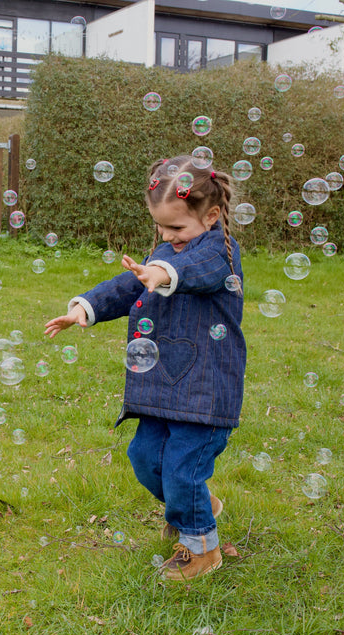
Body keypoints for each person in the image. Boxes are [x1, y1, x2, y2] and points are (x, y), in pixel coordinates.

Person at [44, 155, 246, 580]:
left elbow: (194, 271)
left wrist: (161, 270)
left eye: (176, 228)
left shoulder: (220, 252)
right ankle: (198, 505)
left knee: (181, 468)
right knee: (145, 458)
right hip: (163, 383)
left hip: (206, 387)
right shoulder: (164, 252)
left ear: (211, 216)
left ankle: (202, 549)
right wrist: (86, 307)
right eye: (161, 227)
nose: (167, 237)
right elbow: (128, 284)